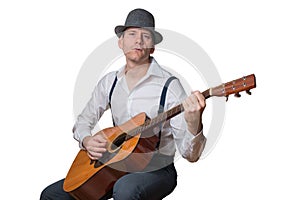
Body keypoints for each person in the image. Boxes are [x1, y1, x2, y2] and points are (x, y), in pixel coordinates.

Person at [40, 8, 207, 200]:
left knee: (126, 189)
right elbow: (84, 120)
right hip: (115, 166)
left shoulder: (169, 86)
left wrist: (195, 123)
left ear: (152, 46)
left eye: (146, 35)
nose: (138, 40)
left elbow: (191, 155)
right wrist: (86, 140)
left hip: (157, 169)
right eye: (132, 34)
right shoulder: (109, 82)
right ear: (121, 42)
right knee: (51, 195)